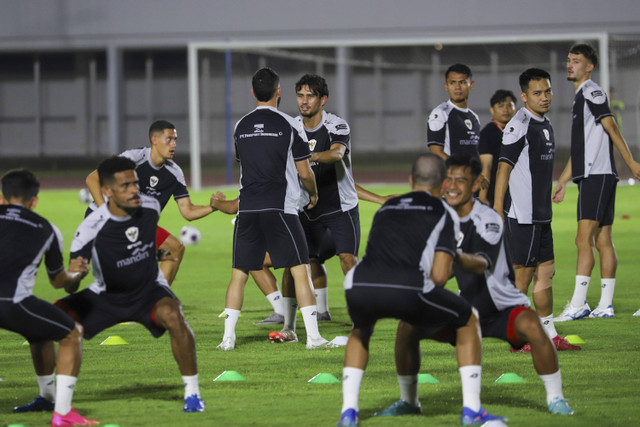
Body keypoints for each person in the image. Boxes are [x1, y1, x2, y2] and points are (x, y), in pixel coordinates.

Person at [375, 154, 573, 418]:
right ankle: (409, 401)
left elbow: (480, 263)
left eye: (461, 180)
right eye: (448, 179)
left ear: (477, 183)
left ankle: (556, 399)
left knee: (534, 327)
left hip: (501, 307)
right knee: (407, 326)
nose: (453, 186)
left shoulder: (488, 219)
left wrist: (450, 255)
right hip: (466, 306)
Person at [337, 153, 506, 427]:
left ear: (410, 180)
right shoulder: (444, 212)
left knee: (362, 330)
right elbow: (439, 275)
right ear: (442, 184)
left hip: (359, 284)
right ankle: (473, 411)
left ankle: (349, 413)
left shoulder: (388, 207)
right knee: (468, 318)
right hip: (408, 287)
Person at [58, 156, 205, 412]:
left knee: (173, 313)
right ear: (107, 192)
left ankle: (192, 394)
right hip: (105, 297)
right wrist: (75, 276)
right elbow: (70, 286)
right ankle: (52, 398)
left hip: (147, 291)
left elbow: (143, 243)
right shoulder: (90, 227)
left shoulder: (150, 207)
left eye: (135, 183)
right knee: (49, 320)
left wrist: (155, 255)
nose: (134, 190)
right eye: (125, 185)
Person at [217, 67, 329, 351]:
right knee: (300, 269)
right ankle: (314, 338)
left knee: (239, 274)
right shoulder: (291, 125)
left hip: (248, 210)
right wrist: (313, 195)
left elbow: (247, 166)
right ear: (279, 92)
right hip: (281, 208)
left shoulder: (240, 126)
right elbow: (305, 173)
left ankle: (228, 338)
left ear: (254, 93)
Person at [1, 169, 97, 426]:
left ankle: (46, 397)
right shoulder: (47, 229)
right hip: (11, 303)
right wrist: (77, 274)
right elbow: (58, 282)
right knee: (72, 333)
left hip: (12, 304)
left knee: (40, 330)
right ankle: (63, 414)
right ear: (34, 200)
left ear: (3, 196)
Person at [493, 68, 579, 351]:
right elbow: (502, 169)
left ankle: (549, 334)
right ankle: (516, 338)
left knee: (547, 273)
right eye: (537, 93)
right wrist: (497, 209)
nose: (545, 97)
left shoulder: (545, 122)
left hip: (542, 214)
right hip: (523, 215)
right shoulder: (519, 125)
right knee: (524, 277)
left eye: (548, 91)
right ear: (524, 96)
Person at [553, 44, 640, 321]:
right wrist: (563, 181)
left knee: (583, 239)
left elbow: (611, 126)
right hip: (596, 174)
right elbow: (581, 150)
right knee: (603, 239)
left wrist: (631, 162)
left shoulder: (591, 91)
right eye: (569, 60)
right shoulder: (581, 96)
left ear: (589, 67)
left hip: (597, 175)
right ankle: (605, 305)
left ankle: (579, 304)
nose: (570, 65)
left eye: (576, 61)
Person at [85, 120, 219, 285]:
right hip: (103, 222)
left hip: (136, 226)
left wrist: (213, 207)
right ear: (154, 140)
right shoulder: (133, 159)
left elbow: (188, 211)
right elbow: (92, 179)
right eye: (169, 139)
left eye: (175, 140)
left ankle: (156, 299)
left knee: (174, 249)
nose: (173, 144)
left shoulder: (174, 172)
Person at [427, 63, 482, 161]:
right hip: (453, 175)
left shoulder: (474, 117)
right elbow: (435, 151)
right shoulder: (440, 113)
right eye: (452, 82)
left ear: (471, 85)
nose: (457, 87)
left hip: (472, 175)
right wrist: (462, 171)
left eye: (462, 82)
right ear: (446, 86)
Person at [478, 90, 517, 205]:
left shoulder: (519, 132)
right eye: (501, 106)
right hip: (494, 195)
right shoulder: (487, 134)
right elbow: (486, 166)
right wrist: (483, 198)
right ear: (492, 110)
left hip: (515, 193)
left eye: (509, 105)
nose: (505, 109)